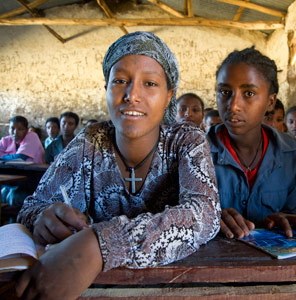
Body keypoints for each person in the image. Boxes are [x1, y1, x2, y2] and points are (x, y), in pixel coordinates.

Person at [16, 31, 220, 300]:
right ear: (106, 88)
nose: (132, 95)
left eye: (149, 83)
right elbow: (31, 208)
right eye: (121, 81)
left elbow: (204, 214)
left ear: (170, 95)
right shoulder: (90, 142)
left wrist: (100, 246)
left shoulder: (186, 140)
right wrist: (45, 218)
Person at [206, 47, 296, 240]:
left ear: (271, 102)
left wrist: (283, 221)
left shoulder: (291, 153)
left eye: (248, 93)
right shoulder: (196, 153)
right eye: (225, 91)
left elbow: (295, 215)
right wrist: (209, 219)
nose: (233, 106)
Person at [0, 116, 45, 205]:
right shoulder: (6, 140)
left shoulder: (32, 136)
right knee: (4, 193)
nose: (15, 132)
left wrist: (3, 157)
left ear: (26, 130)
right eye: (12, 128)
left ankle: (16, 218)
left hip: (32, 179)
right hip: (15, 179)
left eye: (20, 129)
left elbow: (21, 157)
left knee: (14, 196)